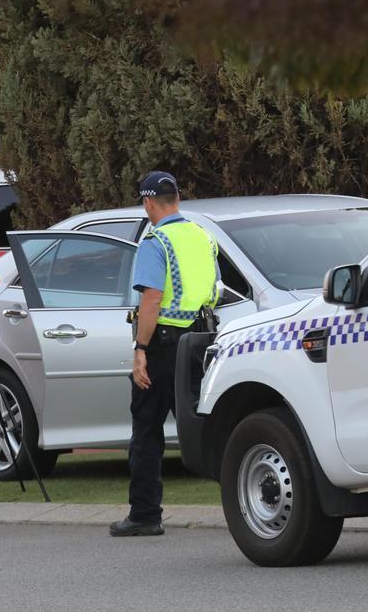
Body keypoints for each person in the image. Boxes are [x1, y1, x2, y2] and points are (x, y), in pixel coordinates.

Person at [110, 171, 221, 537]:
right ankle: (242, 502)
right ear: (177, 198)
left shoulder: (156, 241)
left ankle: (144, 514)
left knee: (146, 429)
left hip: (164, 344)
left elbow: (152, 299)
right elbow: (214, 289)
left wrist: (140, 349)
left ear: (148, 203)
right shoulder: (203, 237)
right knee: (203, 424)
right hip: (201, 337)